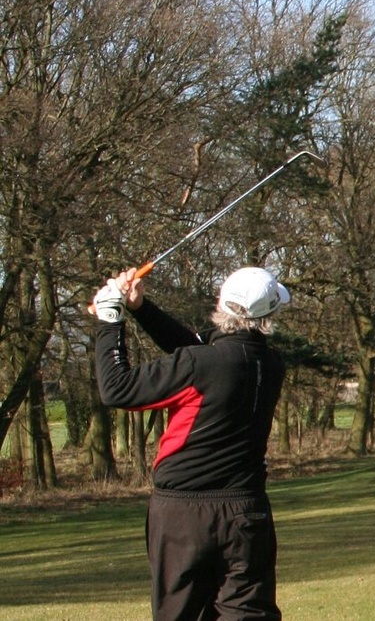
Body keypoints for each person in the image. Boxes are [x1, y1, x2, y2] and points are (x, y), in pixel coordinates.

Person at [92, 266, 290, 620]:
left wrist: (111, 319)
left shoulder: (202, 363)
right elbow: (198, 350)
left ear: (221, 305)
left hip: (183, 516)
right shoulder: (270, 362)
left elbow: (116, 388)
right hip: (247, 512)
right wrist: (141, 308)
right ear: (270, 315)